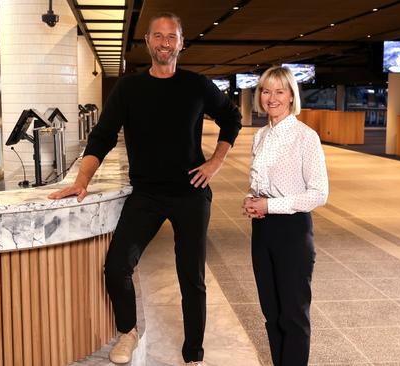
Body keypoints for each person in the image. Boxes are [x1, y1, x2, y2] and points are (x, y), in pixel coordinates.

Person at [49, 12, 242, 366]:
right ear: (148, 42)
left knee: (191, 278)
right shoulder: (129, 88)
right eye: (158, 36)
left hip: (190, 193)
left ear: (181, 43)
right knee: (116, 266)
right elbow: (102, 136)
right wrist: (81, 181)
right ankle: (128, 332)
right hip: (147, 195)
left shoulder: (197, 85)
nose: (165, 43)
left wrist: (216, 162)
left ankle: (193, 355)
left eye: (172, 37)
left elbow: (233, 118)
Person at [242, 65, 328, 366]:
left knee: (294, 316)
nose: (272, 97)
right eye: (266, 91)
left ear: (292, 96)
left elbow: (319, 193)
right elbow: (262, 185)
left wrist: (270, 206)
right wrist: (253, 200)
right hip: (263, 232)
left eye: (280, 91)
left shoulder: (306, 137)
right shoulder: (260, 136)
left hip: (293, 232)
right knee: (272, 315)